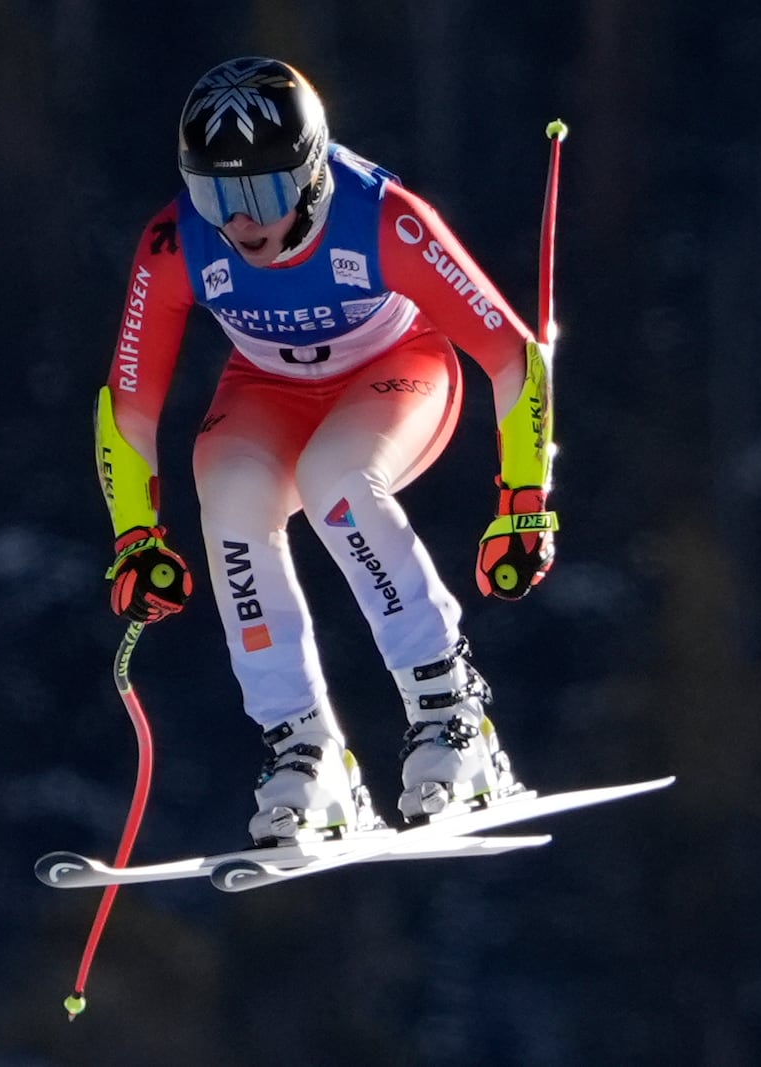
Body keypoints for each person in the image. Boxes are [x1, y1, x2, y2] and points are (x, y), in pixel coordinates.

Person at [94, 56, 558, 845]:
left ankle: (453, 717)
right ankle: (305, 753)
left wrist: (523, 502)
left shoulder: (383, 218)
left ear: (310, 177)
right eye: (218, 195)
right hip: (268, 388)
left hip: (397, 370)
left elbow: (514, 358)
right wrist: (135, 535)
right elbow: (127, 407)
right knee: (231, 500)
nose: (241, 222)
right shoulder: (175, 244)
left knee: (338, 484)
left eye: (264, 192)